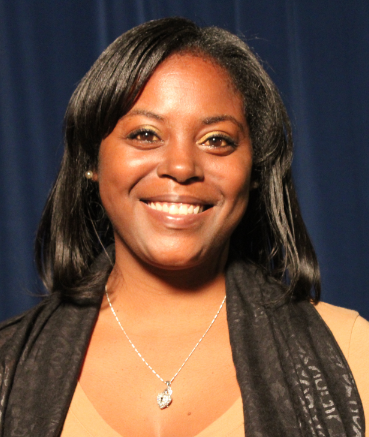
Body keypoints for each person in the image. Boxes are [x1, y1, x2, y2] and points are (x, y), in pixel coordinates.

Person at [0, 17, 367, 437]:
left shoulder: (352, 354)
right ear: (91, 162)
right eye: (145, 134)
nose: (181, 167)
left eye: (216, 140)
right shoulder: (7, 368)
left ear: (254, 171)